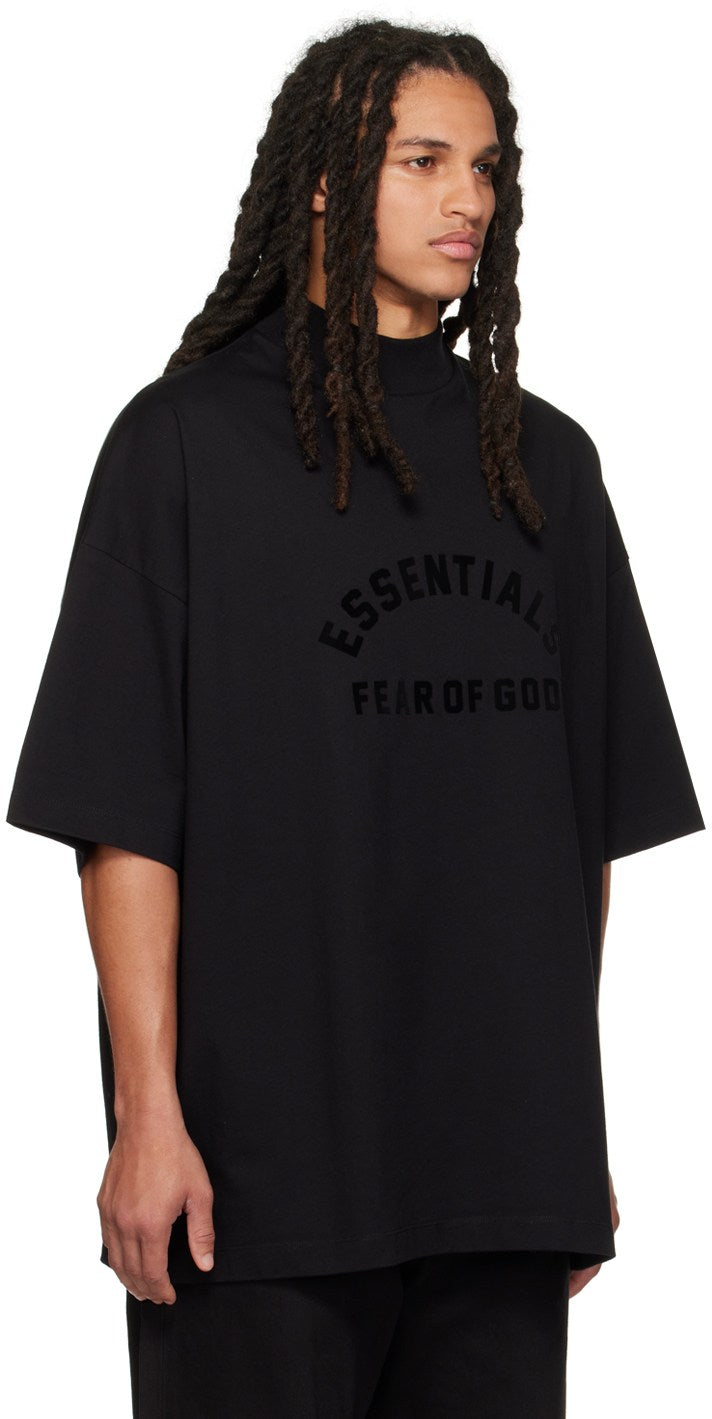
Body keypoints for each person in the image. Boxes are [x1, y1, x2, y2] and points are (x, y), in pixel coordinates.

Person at [5, 17, 705, 1418]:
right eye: (425, 161)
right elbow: (123, 814)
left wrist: (564, 1128)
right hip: (254, 1185)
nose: (470, 201)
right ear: (325, 179)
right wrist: (147, 1117)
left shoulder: (545, 467)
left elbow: (579, 828)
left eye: (487, 169)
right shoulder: (185, 446)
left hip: (502, 1174)